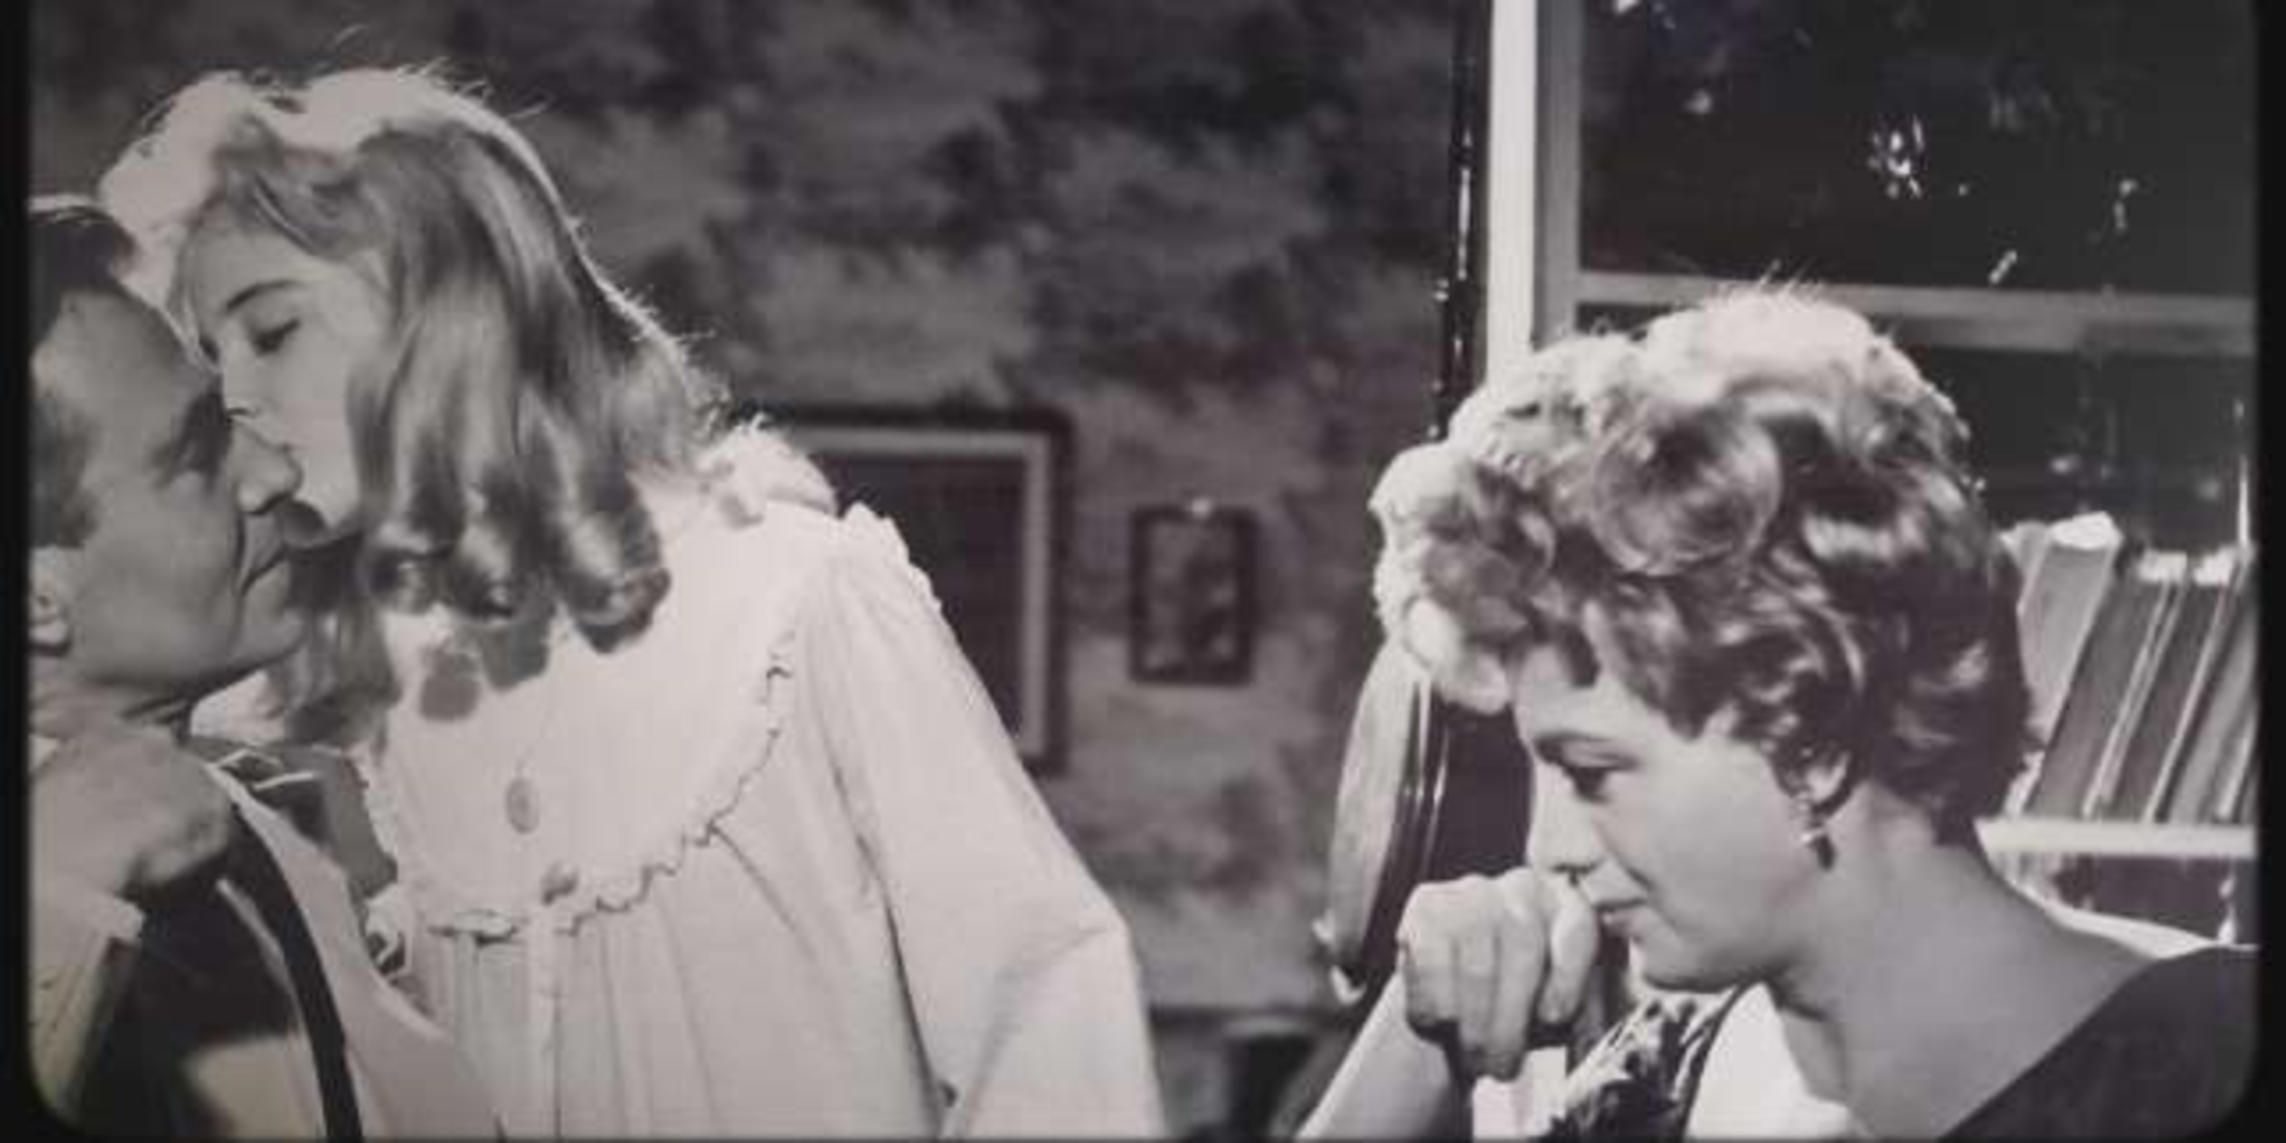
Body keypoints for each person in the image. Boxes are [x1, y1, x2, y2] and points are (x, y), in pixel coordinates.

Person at [96, 68, 1164, 1138]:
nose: (232, 400)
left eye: (271, 330)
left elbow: (1050, 1025)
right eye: (212, 358)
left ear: (447, 302)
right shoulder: (368, 686)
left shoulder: (795, 605)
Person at [1302, 289, 2253, 1139]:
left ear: (1816, 733)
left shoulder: (2216, 1056)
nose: (1549, 848)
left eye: (1591, 773)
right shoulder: (1664, 1071)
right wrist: (1421, 1035)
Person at [27, 196, 499, 1138]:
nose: (275, 474)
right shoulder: (58, 887)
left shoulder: (258, 839)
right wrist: (53, 906)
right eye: (197, 454)